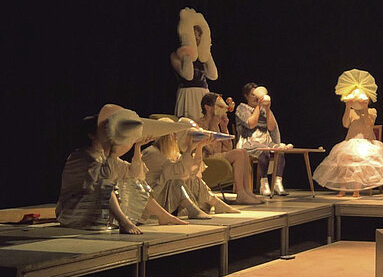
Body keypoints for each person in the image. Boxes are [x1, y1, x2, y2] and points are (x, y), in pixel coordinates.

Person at [56, 105, 188, 234]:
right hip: (76, 211)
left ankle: (163, 216)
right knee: (107, 185)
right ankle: (124, 222)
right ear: (92, 135)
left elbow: (134, 174)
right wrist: (113, 151)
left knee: (134, 182)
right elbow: (103, 181)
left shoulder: (103, 156)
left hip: (94, 206)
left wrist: (137, 147)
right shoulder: (81, 157)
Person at [313, 69, 383, 196]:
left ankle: (356, 189)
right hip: (350, 141)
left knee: (360, 159)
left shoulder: (372, 111)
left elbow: (369, 124)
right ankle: (343, 189)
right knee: (343, 158)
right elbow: (345, 124)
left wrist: (364, 109)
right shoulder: (352, 112)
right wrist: (347, 107)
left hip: (366, 142)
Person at [142, 119, 241, 218]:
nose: (176, 137)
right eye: (173, 134)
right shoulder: (152, 153)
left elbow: (194, 172)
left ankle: (215, 202)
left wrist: (199, 147)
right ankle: (194, 209)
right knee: (176, 182)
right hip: (156, 198)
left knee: (194, 179)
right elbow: (180, 174)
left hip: (166, 192)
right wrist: (189, 149)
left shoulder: (170, 152)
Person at [197, 92, 264, 205]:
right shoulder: (199, 123)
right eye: (217, 106)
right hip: (205, 159)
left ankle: (247, 191)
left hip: (217, 157)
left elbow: (227, 149)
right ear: (207, 107)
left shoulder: (217, 123)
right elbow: (209, 149)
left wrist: (224, 127)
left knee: (243, 152)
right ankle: (240, 193)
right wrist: (213, 126)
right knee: (239, 153)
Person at [235, 83, 288, 195]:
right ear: (246, 96)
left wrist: (267, 109)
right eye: (253, 95)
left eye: (257, 95)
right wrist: (258, 107)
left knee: (280, 150)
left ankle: (277, 182)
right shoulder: (241, 108)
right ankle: (263, 183)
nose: (256, 97)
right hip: (249, 141)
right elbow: (251, 124)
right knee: (264, 150)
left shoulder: (264, 110)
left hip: (265, 140)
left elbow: (272, 127)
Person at [171, 8, 218, 122]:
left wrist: (206, 52)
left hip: (203, 93)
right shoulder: (176, 55)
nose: (196, 38)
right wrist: (188, 51)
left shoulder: (202, 56)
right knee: (189, 125)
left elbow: (213, 75)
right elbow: (188, 76)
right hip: (188, 93)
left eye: (199, 35)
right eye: (193, 34)